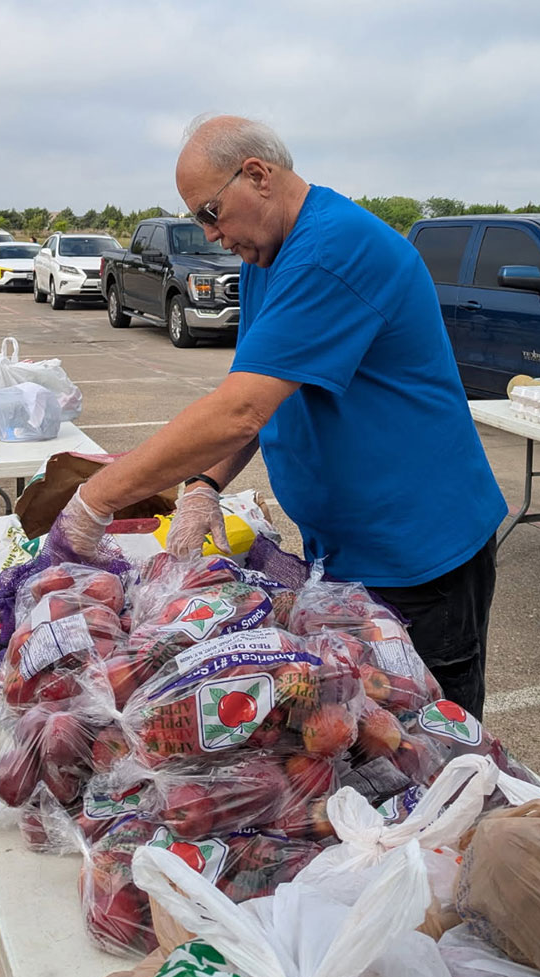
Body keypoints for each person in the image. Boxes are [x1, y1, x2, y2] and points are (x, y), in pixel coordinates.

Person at [55, 115, 507, 719]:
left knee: (426, 738)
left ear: (258, 176)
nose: (210, 235)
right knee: (359, 732)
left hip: (418, 555)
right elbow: (261, 388)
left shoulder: (331, 250)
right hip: (348, 549)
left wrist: (96, 499)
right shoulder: (267, 258)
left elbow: (240, 412)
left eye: (210, 213)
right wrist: (203, 485)